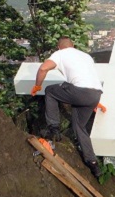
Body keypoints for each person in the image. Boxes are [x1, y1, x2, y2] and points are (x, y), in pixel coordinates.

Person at [30, 37, 103, 177]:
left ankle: (54, 128)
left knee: (50, 91)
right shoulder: (86, 56)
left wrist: (37, 85)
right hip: (95, 94)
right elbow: (90, 79)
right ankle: (93, 164)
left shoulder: (60, 54)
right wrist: (93, 102)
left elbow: (43, 68)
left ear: (59, 47)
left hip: (80, 92)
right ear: (73, 45)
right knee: (79, 127)